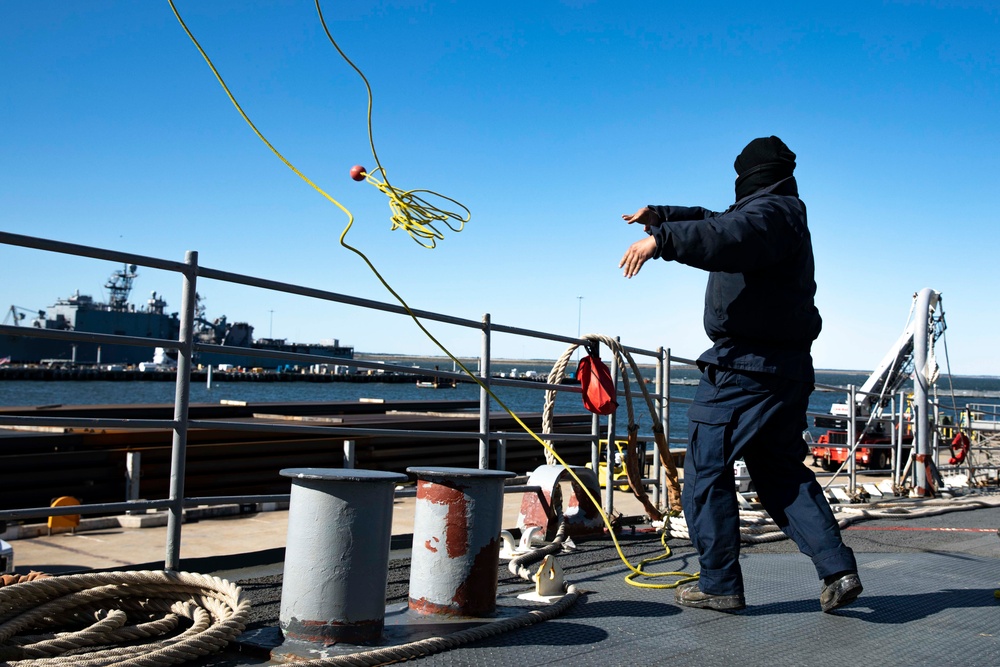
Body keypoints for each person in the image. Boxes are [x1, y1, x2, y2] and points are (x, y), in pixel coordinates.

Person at [618, 136, 862, 613]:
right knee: (781, 473)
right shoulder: (781, 213)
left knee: (705, 470)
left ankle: (719, 583)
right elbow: (717, 222)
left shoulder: (769, 216)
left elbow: (730, 234)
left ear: (750, 176)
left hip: (745, 369)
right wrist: (664, 214)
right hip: (786, 369)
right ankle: (838, 569)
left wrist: (660, 241)